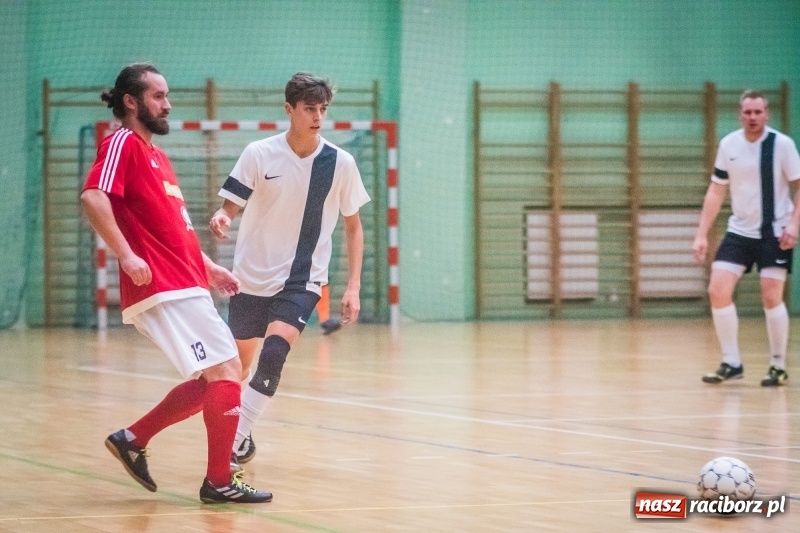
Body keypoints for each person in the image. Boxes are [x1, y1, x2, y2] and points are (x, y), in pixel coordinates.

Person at [81, 63, 272, 503]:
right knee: (228, 369)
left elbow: (174, 228)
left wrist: (208, 267)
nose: (167, 105)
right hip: (162, 284)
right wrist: (126, 255)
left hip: (185, 280)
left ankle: (133, 439)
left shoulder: (157, 157)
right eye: (158, 96)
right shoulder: (122, 143)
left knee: (221, 375)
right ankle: (219, 481)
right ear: (131, 102)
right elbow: (93, 196)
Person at [209, 72, 369, 469]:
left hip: (303, 279)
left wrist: (353, 286)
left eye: (323, 109)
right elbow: (231, 204)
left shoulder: (340, 163)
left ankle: (238, 435)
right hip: (250, 277)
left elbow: (353, 226)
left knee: (275, 353)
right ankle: (234, 433)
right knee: (238, 369)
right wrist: (222, 216)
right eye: (310, 109)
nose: (318, 116)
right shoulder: (259, 153)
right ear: (289, 110)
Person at [693, 89, 800, 387]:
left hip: (775, 232)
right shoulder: (729, 144)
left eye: (758, 112)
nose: (753, 117)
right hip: (740, 231)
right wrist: (701, 234)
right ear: (740, 115)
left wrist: (794, 224)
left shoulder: (782, 145)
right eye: (747, 112)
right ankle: (731, 362)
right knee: (718, 289)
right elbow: (716, 190)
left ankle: (778, 365)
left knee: (770, 295)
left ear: (766, 114)